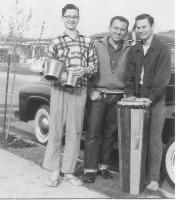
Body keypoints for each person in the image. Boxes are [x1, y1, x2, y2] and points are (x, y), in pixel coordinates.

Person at [43, 4, 98, 187]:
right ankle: (54, 171)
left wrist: (85, 69)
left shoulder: (87, 41)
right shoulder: (56, 41)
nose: (71, 19)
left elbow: (94, 66)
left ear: (78, 18)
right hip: (59, 90)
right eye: (68, 16)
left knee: (74, 132)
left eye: (74, 16)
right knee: (56, 130)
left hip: (79, 90)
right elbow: (48, 66)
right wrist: (62, 74)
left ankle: (68, 172)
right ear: (63, 18)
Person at [124, 14, 171, 191]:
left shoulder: (162, 48)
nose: (141, 30)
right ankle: (136, 176)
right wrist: (130, 94)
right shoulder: (134, 49)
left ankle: (153, 178)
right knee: (136, 139)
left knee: (153, 140)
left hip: (156, 100)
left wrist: (150, 98)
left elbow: (163, 79)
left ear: (152, 26)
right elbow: (128, 76)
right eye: (138, 27)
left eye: (144, 27)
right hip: (136, 98)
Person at [83, 16, 130, 183]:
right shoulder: (95, 45)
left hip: (118, 97)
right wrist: (90, 90)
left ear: (126, 31)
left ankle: (104, 167)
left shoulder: (128, 48)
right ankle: (89, 170)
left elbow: (131, 74)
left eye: (122, 29)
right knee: (93, 133)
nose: (118, 32)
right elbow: (87, 68)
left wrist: (126, 93)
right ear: (110, 27)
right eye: (116, 28)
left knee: (110, 134)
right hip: (99, 95)